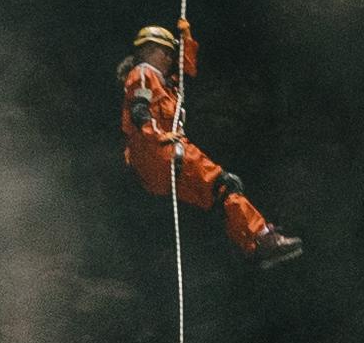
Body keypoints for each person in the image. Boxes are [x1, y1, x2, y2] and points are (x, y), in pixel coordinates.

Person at [117, 22, 304, 268]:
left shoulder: (166, 84)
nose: (168, 57)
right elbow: (139, 111)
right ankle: (263, 238)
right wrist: (158, 137)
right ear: (147, 50)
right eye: (164, 51)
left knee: (223, 191)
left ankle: (257, 246)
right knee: (224, 183)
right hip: (159, 152)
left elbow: (186, 70)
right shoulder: (143, 73)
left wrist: (186, 38)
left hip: (159, 165)